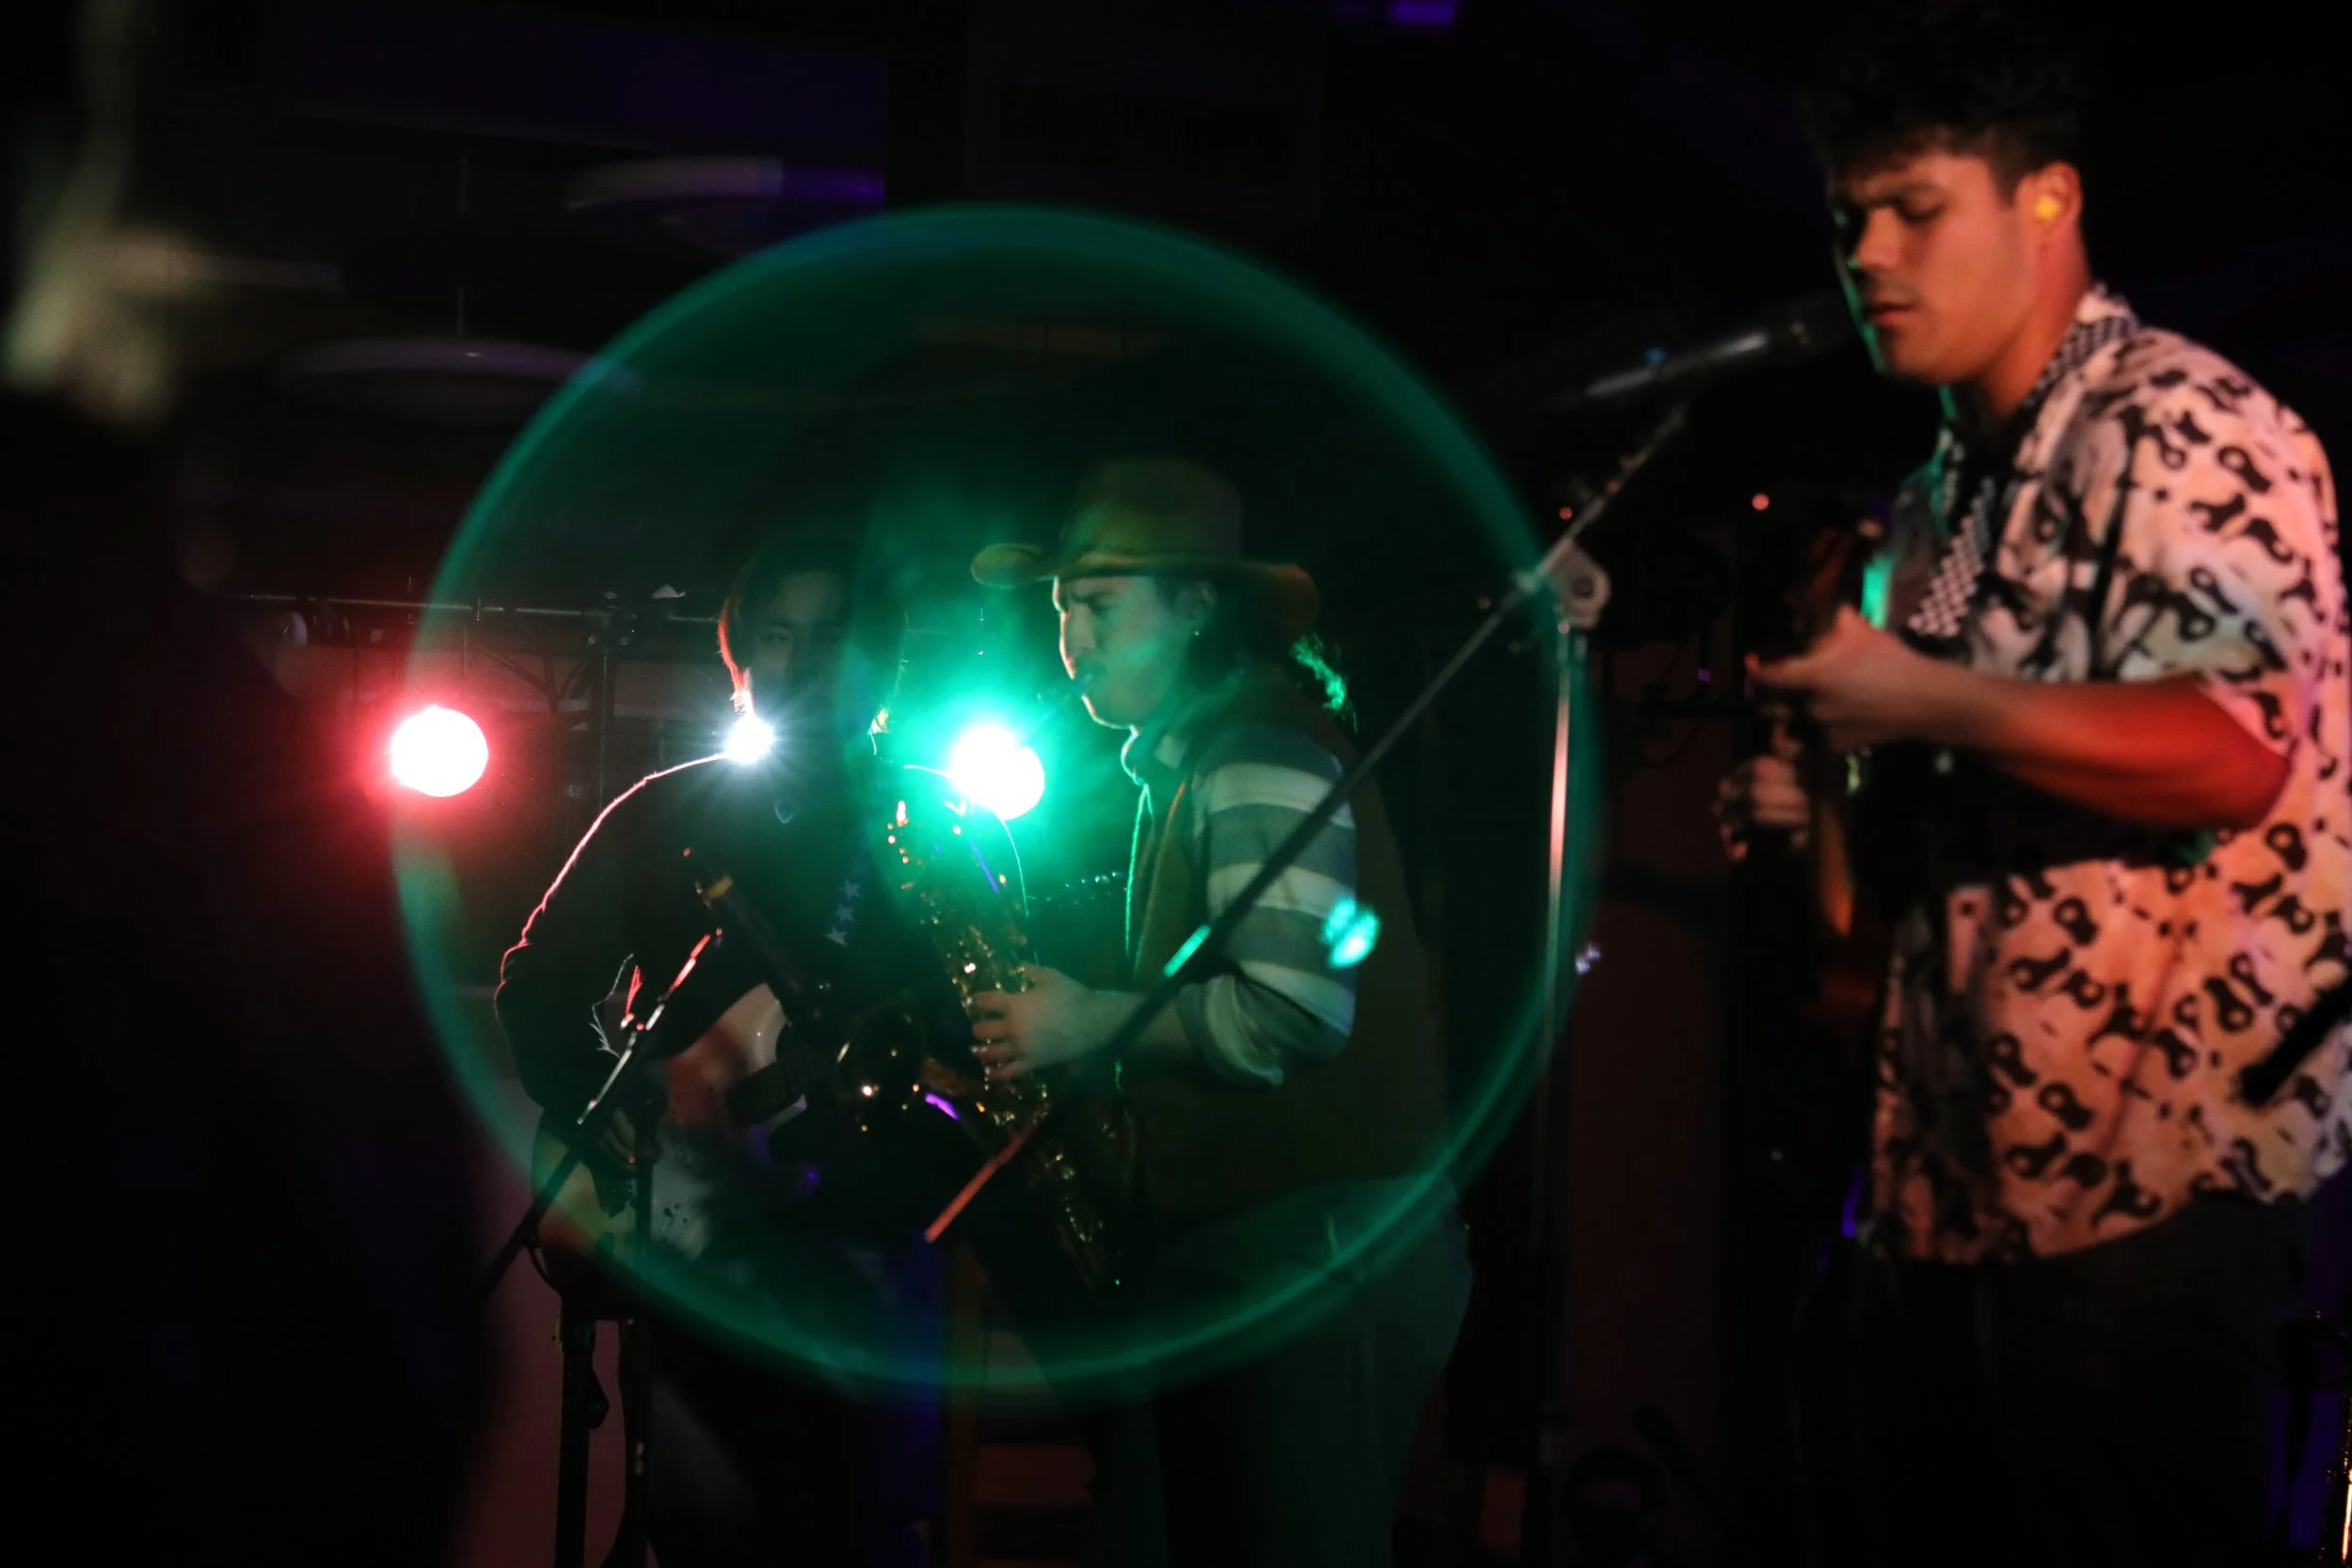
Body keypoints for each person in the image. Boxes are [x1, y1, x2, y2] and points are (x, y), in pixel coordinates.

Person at [1715, 6, 2350, 1563]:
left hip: (2147, 1204)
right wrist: (1831, 805)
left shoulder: (2179, 422)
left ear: (2046, 200)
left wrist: (1914, 693)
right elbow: (1899, 888)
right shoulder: (1930, 496)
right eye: (1848, 214)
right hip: (1934, 1198)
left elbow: (2233, 744)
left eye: (1913, 209)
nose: (1866, 250)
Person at [966, 458, 1472, 1566]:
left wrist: (1088, 1021)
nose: (1070, 642)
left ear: (1196, 606)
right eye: (1061, 613)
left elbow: (1291, 1012)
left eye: (1096, 605)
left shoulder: (1258, 748)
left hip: (1314, 1249)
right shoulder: (1196, 763)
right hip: (1253, 1256)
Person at [497, 527, 955, 1567]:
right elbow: (540, 983)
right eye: (780, 636)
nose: (804, 660)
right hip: (700, 1247)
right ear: (739, 658)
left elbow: (982, 1019)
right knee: (708, 1523)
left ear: (876, 653)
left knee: (866, 1519)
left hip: (871, 1238)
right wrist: (601, 1103)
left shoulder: (934, 821)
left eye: (832, 634)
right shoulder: (664, 813)